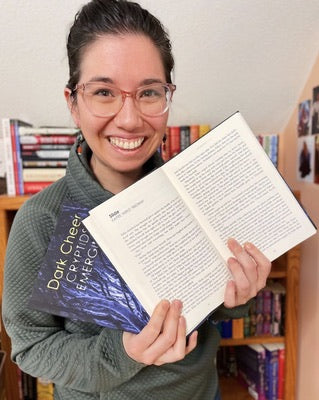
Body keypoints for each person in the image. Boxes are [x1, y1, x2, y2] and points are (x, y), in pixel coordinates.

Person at [2, 1, 271, 399]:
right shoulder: (40, 219)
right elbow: (31, 347)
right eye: (104, 92)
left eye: (149, 92)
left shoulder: (197, 197)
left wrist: (239, 297)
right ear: (73, 103)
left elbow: (214, 306)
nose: (129, 119)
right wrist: (123, 352)